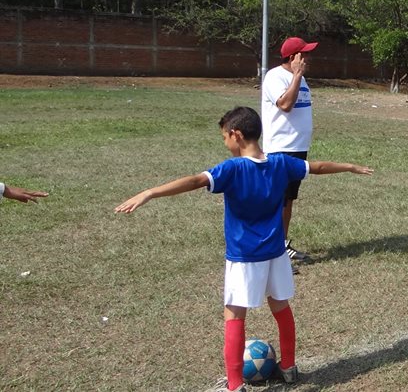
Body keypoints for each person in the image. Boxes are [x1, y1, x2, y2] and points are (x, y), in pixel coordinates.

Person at [115, 106, 372, 392]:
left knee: (234, 316)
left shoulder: (232, 168)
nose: (225, 142)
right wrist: (349, 166)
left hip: (244, 257)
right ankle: (288, 367)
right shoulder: (281, 163)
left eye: (224, 137)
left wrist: (150, 192)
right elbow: (318, 167)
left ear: (236, 135)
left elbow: (195, 181)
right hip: (276, 254)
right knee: (281, 308)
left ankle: (235, 385)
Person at [261, 36, 318, 262]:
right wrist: (296, 76)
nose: (308, 57)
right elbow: (284, 105)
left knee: (288, 199)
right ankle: (271, 251)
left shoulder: (300, 79)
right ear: (293, 56)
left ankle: (282, 246)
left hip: (298, 148)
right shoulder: (275, 77)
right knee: (277, 201)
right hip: (280, 149)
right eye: (304, 53)